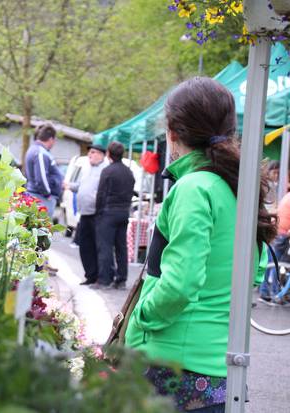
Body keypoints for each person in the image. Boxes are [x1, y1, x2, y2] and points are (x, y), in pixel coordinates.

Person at [125, 77, 274, 413]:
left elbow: (180, 284)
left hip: (173, 369)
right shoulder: (237, 186)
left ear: (173, 132)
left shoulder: (194, 188)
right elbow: (255, 270)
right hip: (220, 373)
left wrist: (141, 317)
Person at [92, 141, 134, 290]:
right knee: (121, 247)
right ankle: (121, 279)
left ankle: (105, 279)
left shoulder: (108, 171)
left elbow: (101, 194)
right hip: (124, 212)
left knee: (105, 247)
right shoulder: (128, 172)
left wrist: (98, 213)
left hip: (109, 213)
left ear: (109, 154)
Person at [64, 144, 108, 285]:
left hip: (96, 214)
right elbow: (81, 186)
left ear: (101, 155)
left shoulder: (104, 170)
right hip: (84, 213)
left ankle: (98, 275)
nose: (90, 155)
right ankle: (90, 274)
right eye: (89, 152)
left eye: (93, 152)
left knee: (97, 246)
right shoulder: (87, 169)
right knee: (84, 245)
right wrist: (70, 186)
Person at [24, 122, 64, 219]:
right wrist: (48, 194)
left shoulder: (34, 149)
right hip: (42, 199)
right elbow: (41, 178)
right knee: (42, 231)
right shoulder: (41, 153)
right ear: (51, 139)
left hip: (38, 197)